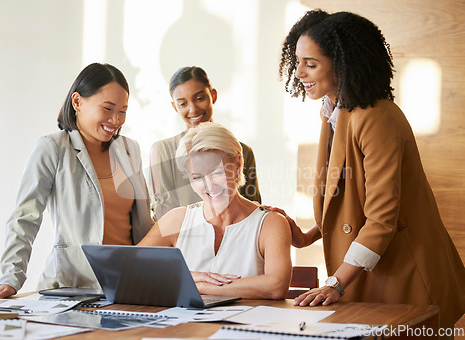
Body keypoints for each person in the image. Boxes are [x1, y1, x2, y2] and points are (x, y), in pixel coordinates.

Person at [277, 9, 465, 328]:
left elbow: (381, 219)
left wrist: (335, 284)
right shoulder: (333, 110)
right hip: (369, 269)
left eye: (310, 64)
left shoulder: (377, 117)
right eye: (298, 62)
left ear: (342, 63)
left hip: (404, 271)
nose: (299, 73)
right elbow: (342, 194)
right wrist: (309, 235)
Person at [0, 63, 152, 299]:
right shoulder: (52, 147)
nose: (115, 120)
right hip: (72, 286)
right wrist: (12, 276)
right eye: (107, 108)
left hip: (127, 285)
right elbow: (25, 217)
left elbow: (143, 224)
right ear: (77, 102)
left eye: (122, 111)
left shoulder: (129, 149)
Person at [140, 122, 291, 299]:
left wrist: (201, 287)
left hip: (246, 326)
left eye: (217, 172)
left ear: (237, 166)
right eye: (197, 177)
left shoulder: (270, 224)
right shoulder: (177, 220)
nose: (209, 186)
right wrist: (190, 277)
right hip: (186, 326)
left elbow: (276, 286)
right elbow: (130, 268)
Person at [149, 66, 261, 220]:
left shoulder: (243, 151)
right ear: (175, 107)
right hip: (182, 241)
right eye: (183, 104)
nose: (193, 109)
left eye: (200, 98)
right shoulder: (163, 150)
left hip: (234, 239)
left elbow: (252, 211)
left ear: (213, 95)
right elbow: (164, 216)